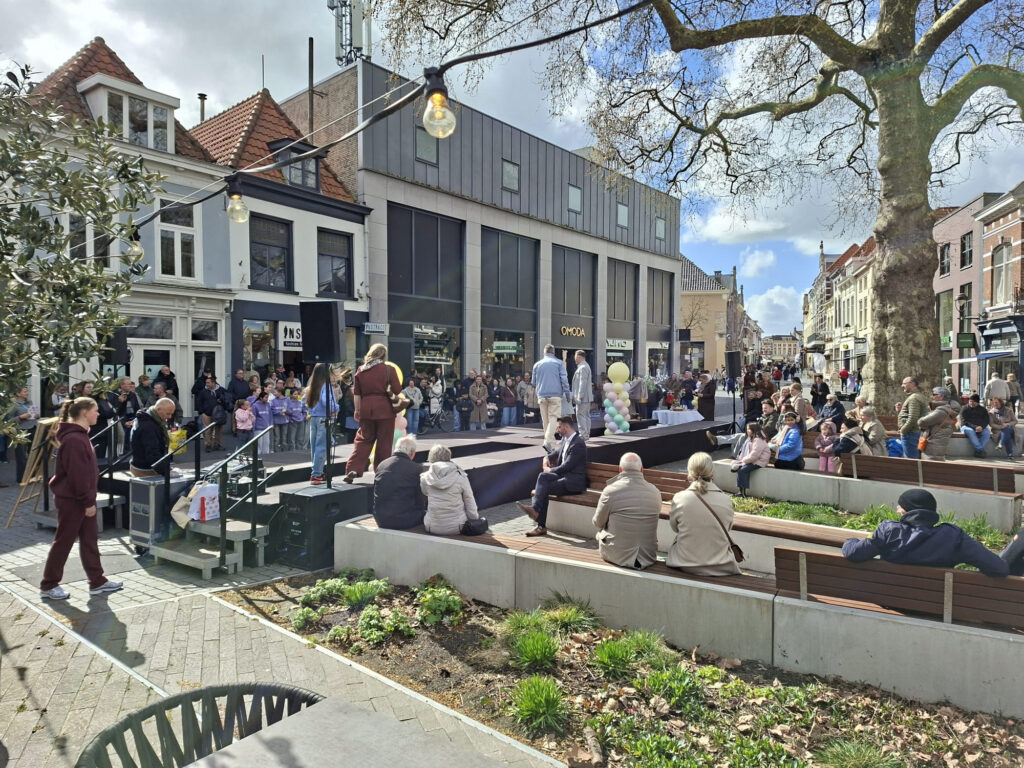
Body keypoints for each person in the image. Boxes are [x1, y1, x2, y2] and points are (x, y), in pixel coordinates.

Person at [39, 397, 124, 600]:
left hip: (80, 498)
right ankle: (48, 585)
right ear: (85, 413)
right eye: (95, 410)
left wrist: (88, 500)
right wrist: (87, 502)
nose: (99, 414)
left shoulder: (78, 436)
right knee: (64, 540)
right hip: (73, 500)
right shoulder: (74, 439)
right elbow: (78, 475)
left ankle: (97, 581)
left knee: (89, 540)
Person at [841, 489, 1008, 576]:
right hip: (938, 606)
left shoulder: (889, 531)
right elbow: (998, 567)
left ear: (903, 511)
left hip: (891, 600)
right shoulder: (953, 536)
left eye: (899, 506)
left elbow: (854, 553)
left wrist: (850, 541)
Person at [666, 452, 741, 575]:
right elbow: (728, 528)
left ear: (690, 472)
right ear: (712, 472)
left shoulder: (680, 498)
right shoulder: (725, 500)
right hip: (721, 564)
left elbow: (675, 528)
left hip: (684, 562)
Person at [516, 416, 587, 537]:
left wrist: (550, 470)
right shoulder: (566, 440)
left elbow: (568, 466)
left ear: (566, 427)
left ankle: (540, 524)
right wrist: (546, 458)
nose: (557, 430)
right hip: (564, 478)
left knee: (544, 485)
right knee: (543, 478)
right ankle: (536, 512)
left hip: (574, 482)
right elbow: (557, 452)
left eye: (559, 427)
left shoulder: (578, 444)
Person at [591, 452, 661, 569]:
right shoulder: (655, 492)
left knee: (600, 534)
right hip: (648, 556)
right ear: (642, 469)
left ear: (620, 470)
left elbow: (598, 523)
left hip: (617, 555)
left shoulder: (611, 491)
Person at [344, 344, 401, 482]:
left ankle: (353, 468)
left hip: (366, 408)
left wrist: (357, 410)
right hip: (385, 409)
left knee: (363, 439)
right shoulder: (389, 369)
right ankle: (381, 472)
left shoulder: (361, 370)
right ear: (384, 355)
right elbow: (398, 390)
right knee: (384, 442)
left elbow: (357, 394)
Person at [420, 444, 482, 535]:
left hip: (432, 526)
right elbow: (469, 499)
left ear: (431, 457)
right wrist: (474, 519)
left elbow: (425, 493)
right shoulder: (460, 476)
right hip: (457, 527)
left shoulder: (425, 478)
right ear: (448, 456)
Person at [373, 435, 427, 529]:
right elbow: (419, 500)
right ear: (412, 453)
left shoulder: (382, 465)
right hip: (404, 520)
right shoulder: (415, 469)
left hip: (380, 518)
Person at [532, 344, 571, 452]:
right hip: (555, 395)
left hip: (541, 395)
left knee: (545, 420)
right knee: (554, 418)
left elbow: (533, 382)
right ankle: (548, 441)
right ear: (553, 352)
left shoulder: (537, 364)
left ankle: (550, 445)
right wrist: (567, 394)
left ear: (544, 352)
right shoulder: (559, 363)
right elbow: (564, 380)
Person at [306, 363, 338, 485]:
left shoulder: (312, 385)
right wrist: (336, 407)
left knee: (314, 446)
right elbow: (327, 402)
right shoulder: (325, 386)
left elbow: (305, 401)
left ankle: (315, 472)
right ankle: (317, 474)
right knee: (322, 446)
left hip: (314, 418)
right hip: (323, 418)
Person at [129, 398, 177, 478]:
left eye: (171, 414)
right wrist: (166, 470)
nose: (169, 417)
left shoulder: (145, 417)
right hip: (145, 469)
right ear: (158, 409)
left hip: (138, 464)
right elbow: (152, 452)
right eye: (168, 414)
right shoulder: (149, 426)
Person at [6, 386, 40, 482]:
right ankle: (22, 478)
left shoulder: (30, 402)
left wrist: (37, 415)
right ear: (18, 394)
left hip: (33, 428)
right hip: (21, 431)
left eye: (27, 391)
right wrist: (21, 417)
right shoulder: (13, 405)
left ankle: (32, 476)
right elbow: (9, 421)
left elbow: (34, 415)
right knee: (21, 455)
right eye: (25, 391)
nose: (27, 393)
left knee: (33, 453)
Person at [917, 386, 960, 461]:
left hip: (933, 445)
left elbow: (922, 422)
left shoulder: (941, 410)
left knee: (931, 466)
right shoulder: (947, 409)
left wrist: (920, 420)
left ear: (941, 396)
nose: (932, 396)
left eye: (934, 394)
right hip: (937, 443)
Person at [731, 422, 770, 496]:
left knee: (743, 470)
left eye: (749, 429)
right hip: (754, 460)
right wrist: (741, 460)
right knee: (740, 468)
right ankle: (741, 491)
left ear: (754, 430)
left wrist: (743, 461)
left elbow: (754, 455)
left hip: (760, 461)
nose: (747, 430)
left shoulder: (758, 440)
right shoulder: (751, 438)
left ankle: (742, 493)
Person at [897, 376, 929, 459]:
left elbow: (913, 418)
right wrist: (901, 411)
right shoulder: (917, 396)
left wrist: (903, 430)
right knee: (914, 459)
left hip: (911, 434)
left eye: (904, 383)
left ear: (912, 384)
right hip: (914, 433)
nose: (902, 386)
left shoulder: (914, 398)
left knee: (911, 460)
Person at [195, 376, 227, 452]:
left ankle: (217, 445)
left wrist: (222, 401)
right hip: (207, 413)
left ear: (213, 383)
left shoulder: (221, 390)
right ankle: (208, 445)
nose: (206, 384)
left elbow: (228, 399)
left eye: (208, 382)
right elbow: (199, 402)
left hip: (219, 414)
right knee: (208, 430)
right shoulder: (203, 391)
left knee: (219, 430)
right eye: (206, 382)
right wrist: (202, 412)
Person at [958, 393, 991, 458]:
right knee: (971, 431)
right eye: (970, 401)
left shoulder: (983, 409)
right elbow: (964, 421)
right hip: (966, 427)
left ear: (978, 402)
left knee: (987, 432)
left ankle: (978, 452)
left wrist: (982, 427)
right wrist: (975, 427)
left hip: (980, 427)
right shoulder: (964, 408)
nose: (971, 403)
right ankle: (980, 450)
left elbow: (986, 420)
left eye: (974, 402)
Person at [571, 350, 593, 440]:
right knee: (586, 415)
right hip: (586, 396)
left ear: (579, 357)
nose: (574, 359)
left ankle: (583, 434)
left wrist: (579, 396)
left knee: (580, 415)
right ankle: (586, 434)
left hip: (583, 397)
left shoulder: (583, 367)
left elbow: (582, 383)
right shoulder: (585, 366)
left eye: (575, 357)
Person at [251, 390, 273, 455]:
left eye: (267, 397)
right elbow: (253, 417)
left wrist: (271, 424)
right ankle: (258, 456)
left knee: (266, 443)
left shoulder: (267, 404)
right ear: (261, 398)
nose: (267, 399)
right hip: (258, 428)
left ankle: (266, 455)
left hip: (266, 428)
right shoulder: (255, 405)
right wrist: (253, 428)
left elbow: (270, 415)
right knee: (259, 444)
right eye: (265, 397)